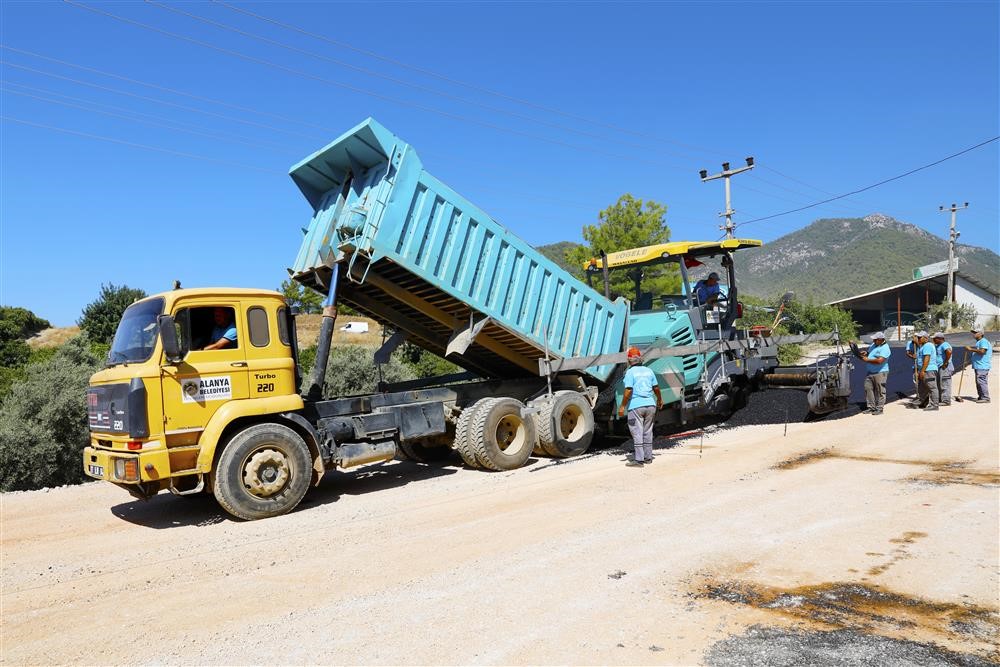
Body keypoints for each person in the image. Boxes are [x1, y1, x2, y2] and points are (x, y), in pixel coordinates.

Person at [618, 346, 663, 467]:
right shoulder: (649, 371)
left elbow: (628, 390)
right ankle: (648, 457)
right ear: (640, 359)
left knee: (637, 432)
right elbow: (656, 388)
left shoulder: (630, 372)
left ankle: (639, 460)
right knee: (648, 431)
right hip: (650, 405)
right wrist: (659, 399)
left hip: (636, 406)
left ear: (629, 360)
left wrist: (622, 406)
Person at [858, 331, 890, 415]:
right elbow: (870, 353)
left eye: (875, 340)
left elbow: (880, 360)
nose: (874, 341)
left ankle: (879, 409)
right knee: (868, 388)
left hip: (880, 372)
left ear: (880, 339)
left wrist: (867, 360)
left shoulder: (885, 348)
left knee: (880, 391)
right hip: (870, 372)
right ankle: (871, 407)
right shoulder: (874, 345)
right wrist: (866, 353)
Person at [964, 327, 992, 403]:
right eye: (973, 333)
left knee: (981, 381)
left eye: (975, 333)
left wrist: (970, 349)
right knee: (978, 381)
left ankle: (985, 398)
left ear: (981, 334)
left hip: (982, 366)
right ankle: (981, 396)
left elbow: (982, 351)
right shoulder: (979, 342)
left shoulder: (983, 341)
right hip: (979, 365)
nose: (974, 334)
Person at [913, 331, 939, 410]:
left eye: (920, 338)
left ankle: (934, 405)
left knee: (932, 387)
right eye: (918, 337)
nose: (918, 339)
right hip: (925, 369)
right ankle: (924, 402)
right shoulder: (923, 346)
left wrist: (923, 371)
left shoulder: (927, 345)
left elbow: (926, 359)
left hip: (929, 370)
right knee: (923, 387)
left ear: (926, 338)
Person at [932, 332, 954, 406]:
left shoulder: (945, 344)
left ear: (940, 338)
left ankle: (946, 400)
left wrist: (945, 363)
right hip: (940, 367)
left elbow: (949, 352)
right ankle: (941, 399)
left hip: (945, 367)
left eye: (935, 339)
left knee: (945, 383)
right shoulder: (938, 345)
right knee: (940, 383)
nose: (933, 340)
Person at [904, 332, 920, 402]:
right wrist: (912, 356)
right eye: (913, 337)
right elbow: (908, 352)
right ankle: (918, 395)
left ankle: (925, 395)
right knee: (916, 380)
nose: (914, 338)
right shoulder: (910, 343)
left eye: (916, 337)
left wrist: (917, 343)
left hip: (923, 365)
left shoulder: (923, 343)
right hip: (915, 365)